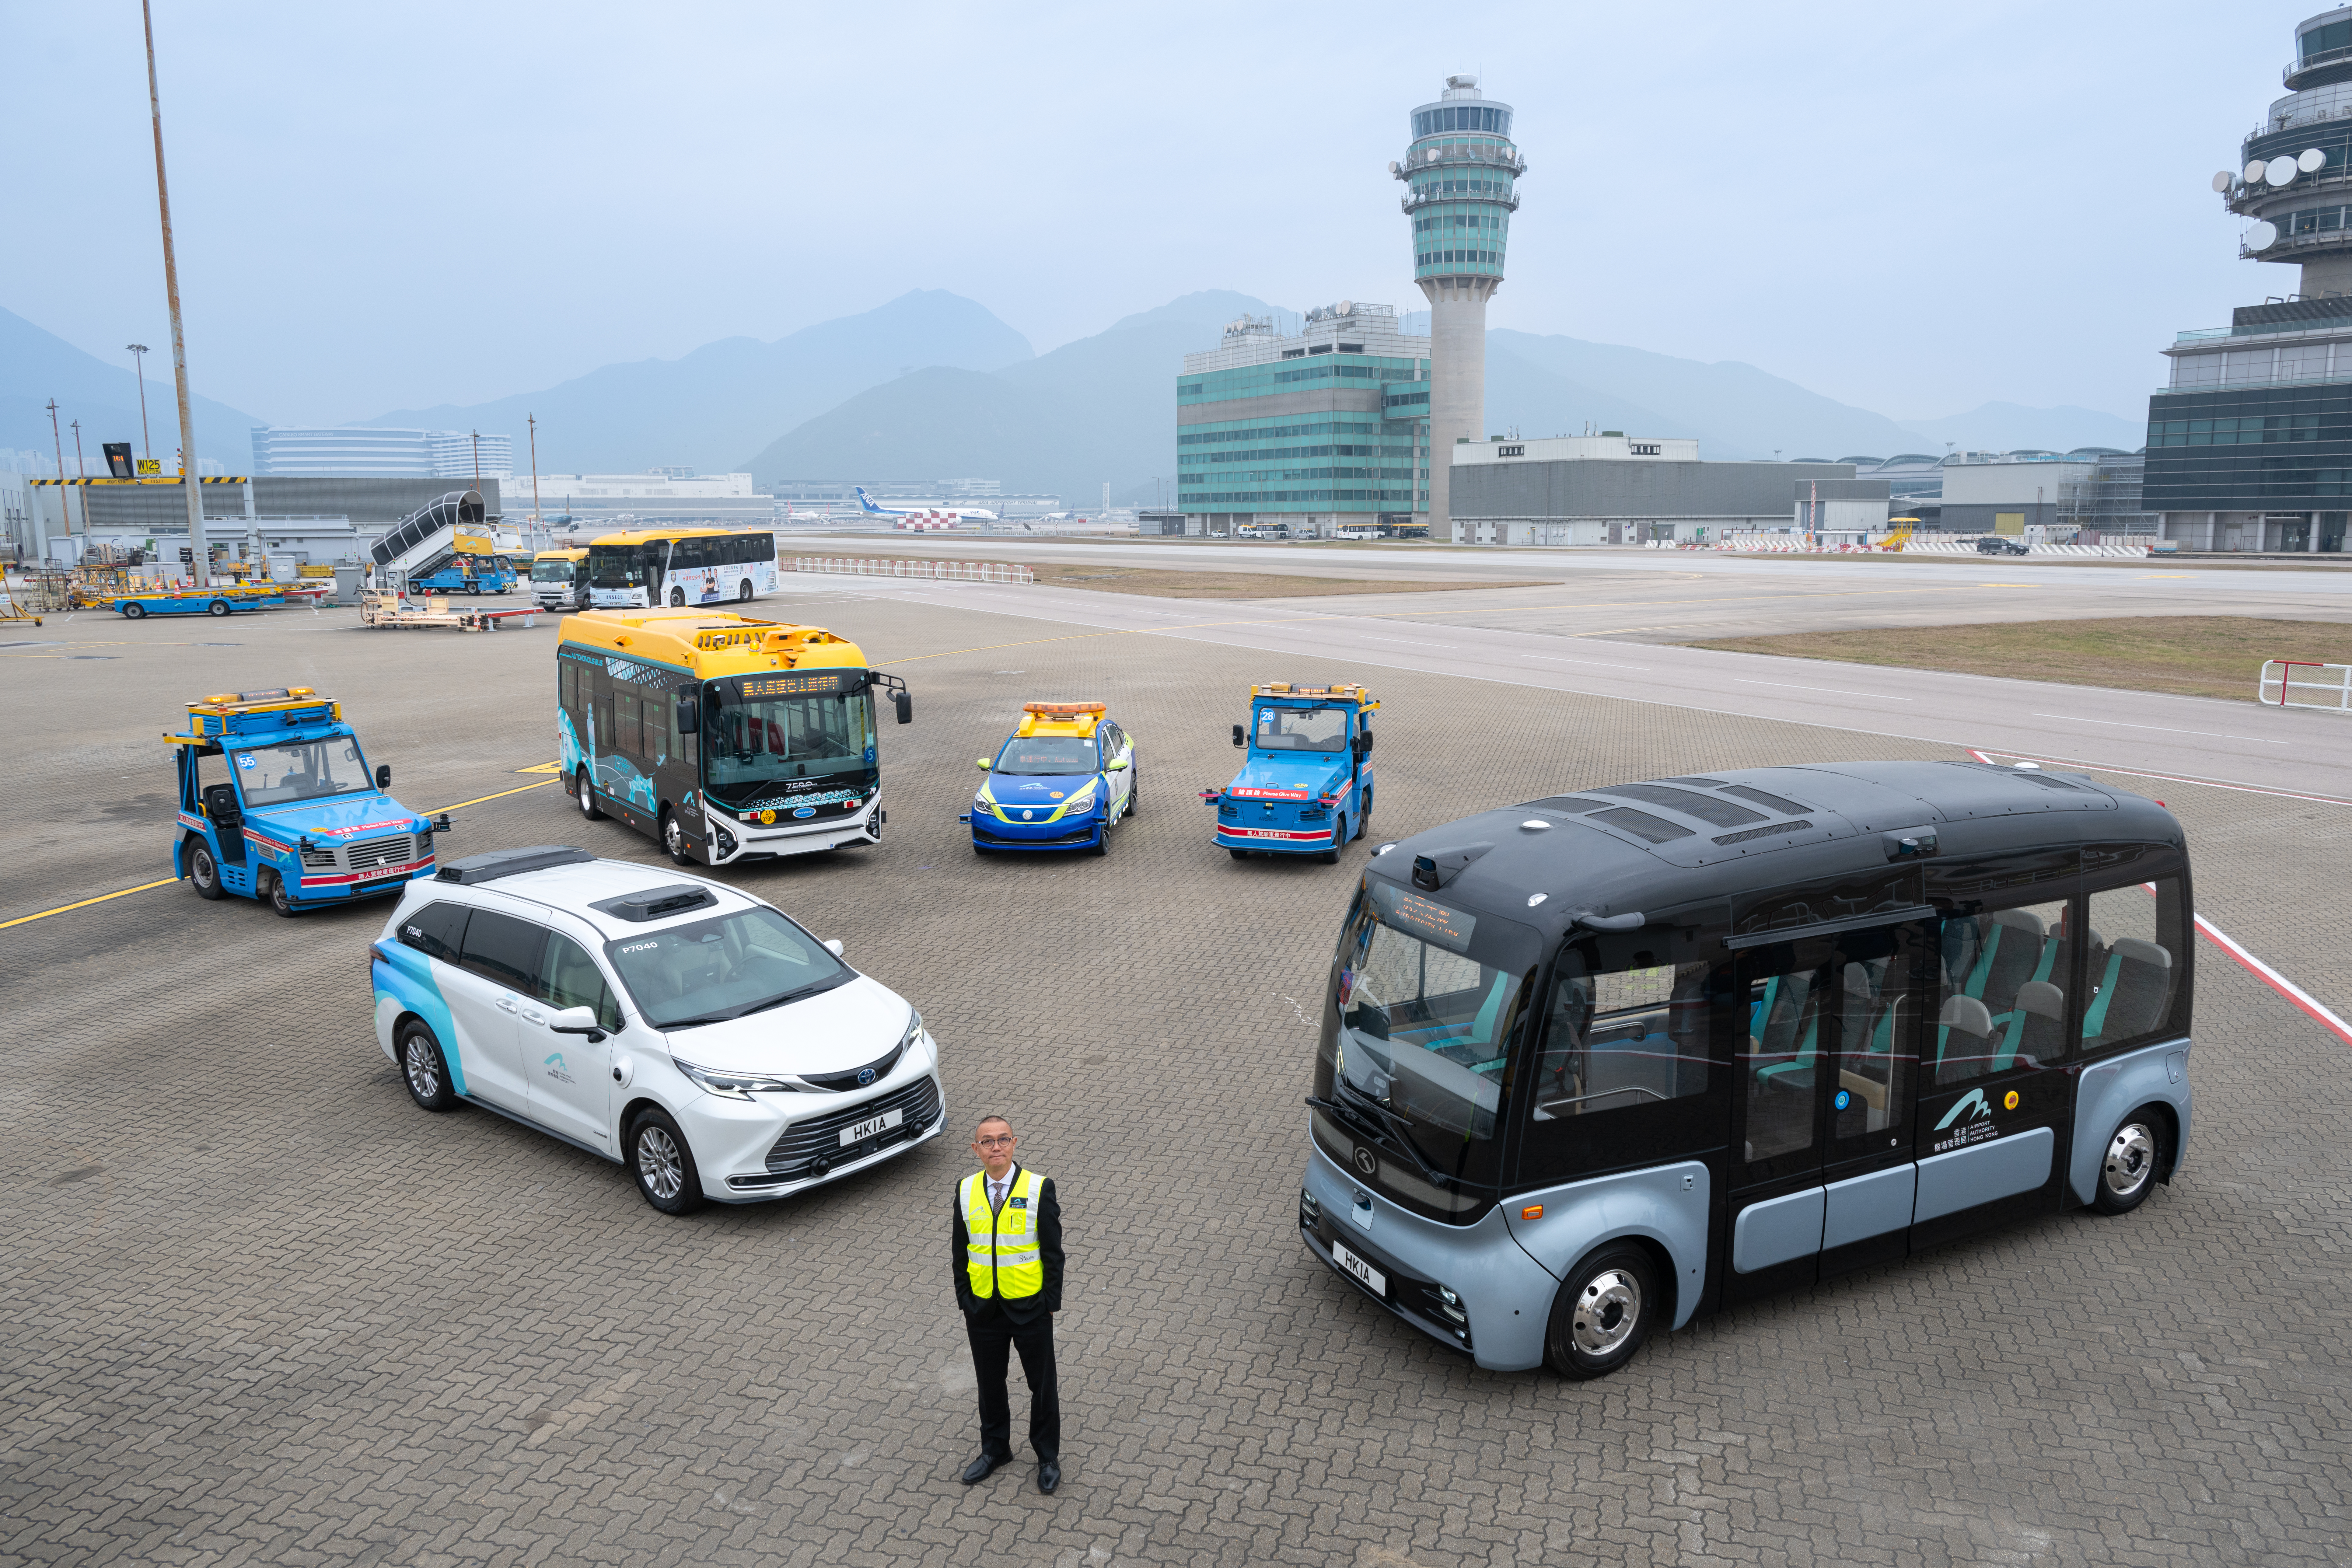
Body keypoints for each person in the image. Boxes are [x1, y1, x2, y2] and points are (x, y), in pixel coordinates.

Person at [952, 1114, 1063, 1493]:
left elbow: (1053, 1252)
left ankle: (1047, 1456)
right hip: (983, 1310)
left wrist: (1051, 1303)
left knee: (1042, 1385)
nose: (995, 1147)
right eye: (987, 1141)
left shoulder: (1038, 1188)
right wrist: (965, 1299)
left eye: (1003, 1140)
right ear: (976, 1149)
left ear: (1015, 1143)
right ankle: (995, 1450)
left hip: (1031, 1308)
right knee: (989, 1385)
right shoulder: (965, 1190)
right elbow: (960, 1251)